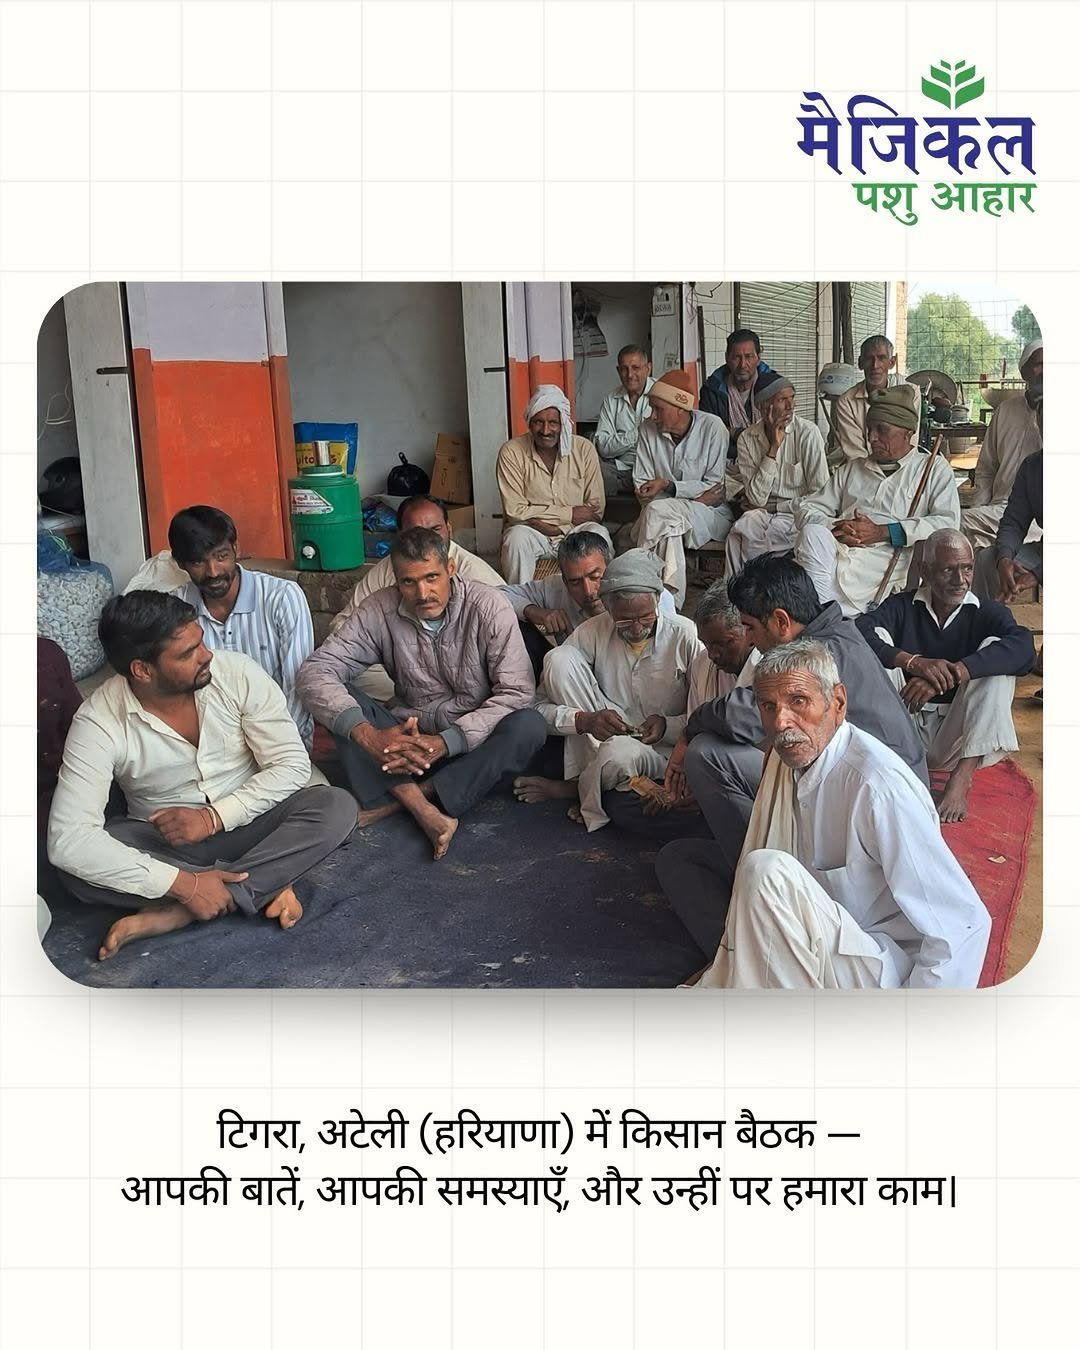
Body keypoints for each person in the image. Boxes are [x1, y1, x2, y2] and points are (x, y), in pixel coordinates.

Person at [47, 591, 357, 961]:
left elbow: (291, 765)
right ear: (142, 670)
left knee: (335, 805)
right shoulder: (98, 722)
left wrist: (213, 818)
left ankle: (180, 913)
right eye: (187, 653)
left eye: (201, 642)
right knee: (77, 869)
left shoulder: (236, 673)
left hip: (256, 821)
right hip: (167, 847)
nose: (206, 654)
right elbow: (69, 839)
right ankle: (264, 882)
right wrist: (183, 883)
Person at [655, 554, 926, 959]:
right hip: (852, 800)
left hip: (869, 811)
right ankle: (747, 922)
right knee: (677, 858)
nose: (749, 641)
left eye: (749, 627)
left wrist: (691, 726)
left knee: (707, 755)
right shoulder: (835, 634)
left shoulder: (818, 657)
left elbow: (743, 716)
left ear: (780, 621)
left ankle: (745, 941)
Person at [689, 639, 991, 989]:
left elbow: (963, 924)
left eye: (798, 702)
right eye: (768, 706)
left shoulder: (877, 786)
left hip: (877, 965)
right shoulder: (790, 765)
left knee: (765, 873)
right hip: (824, 937)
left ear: (838, 703)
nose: (782, 721)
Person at [295, 527, 546, 859]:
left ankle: (403, 802)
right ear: (395, 580)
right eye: (409, 582)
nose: (423, 592)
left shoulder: (487, 605)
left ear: (451, 570)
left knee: (528, 725)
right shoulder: (379, 610)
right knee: (342, 702)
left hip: (471, 743)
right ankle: (427, 809)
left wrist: (446, 742)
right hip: (408, 741)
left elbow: (516, 692)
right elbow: (315, 672)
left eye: (432, 577)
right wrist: (370, 736)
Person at [514, 550, 702, 832]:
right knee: (559, 660)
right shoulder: (592, 632)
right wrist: (586, 721)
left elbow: (706, 712)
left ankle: (583, 788)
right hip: (611, 747)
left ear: (657, 602)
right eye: (625, 621)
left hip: (670, 754)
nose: (637, 628)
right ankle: (600, 785)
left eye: (646, 617)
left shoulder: (684, 634)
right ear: (609, 608)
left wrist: (667, 726)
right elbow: (537, 709)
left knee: (621, 764)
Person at [856, 529, 1034, 822]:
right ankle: (897, 769)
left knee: (996, 659)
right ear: (924, 570)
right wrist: (913, 662)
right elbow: (858, 633)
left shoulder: (986, 612)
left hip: (958, 740)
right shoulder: (901, 606)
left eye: (967, 568)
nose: (960, 580)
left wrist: (957, 672)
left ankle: (961, 779)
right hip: (901, 730)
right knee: (873, 653)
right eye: (948, 569)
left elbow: (1024, 649)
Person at [794, 386, 960, 616]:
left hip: (883, 564)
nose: (872, 437)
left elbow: (948, 524)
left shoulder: (932, 469)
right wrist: (840, 528)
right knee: (812, 533)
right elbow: (807, 508)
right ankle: (823, 612)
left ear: (907, 432)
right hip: (837, 553)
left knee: (804, 596)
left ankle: (819, 613)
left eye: (882, 430)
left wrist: (883, 532)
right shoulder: (852, 469)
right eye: (870, 429)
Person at [165, 506, 315, 748]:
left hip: (282, 743)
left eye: (221, 556)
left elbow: (298, 688)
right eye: (198, 562)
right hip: (210, 750)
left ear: (237, 549)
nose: (213, 571)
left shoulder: (282, 597)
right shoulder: (174, 610)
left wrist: (277, 747)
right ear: (180, 564)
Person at [500, 530, 675, 677]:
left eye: (595, 577)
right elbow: (495, 596)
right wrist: (534, 612)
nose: (589, 591)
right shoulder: (553, 588)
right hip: (576, 677)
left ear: (611, 567)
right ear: (565, 581)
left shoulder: (649, 597)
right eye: (575, 582)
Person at [331, 495, 504, 636]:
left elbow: (502, 634)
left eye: (435, 529)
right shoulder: (385, 569)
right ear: (400, 534)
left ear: (449, 528)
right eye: (416, 531)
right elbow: (344, 624)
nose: (426, 538)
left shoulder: (475, 575)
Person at [633, 369, 733, 609]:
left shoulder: (713, 428)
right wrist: (694, 496)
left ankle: (638, 578)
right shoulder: (647, 429)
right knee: (670, 531)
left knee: (659, 512)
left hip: (708, 517)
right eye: (651, 408)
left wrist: (668, 485)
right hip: (670, 516)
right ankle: (670, 606)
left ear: (680, 408)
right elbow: (641, 484)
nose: (653, 416)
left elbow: (715, 489)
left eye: (659, 409)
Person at [495, 384, 611, 583]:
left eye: (553, 423)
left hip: (573, 531)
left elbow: (596, 509)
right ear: (530, 423)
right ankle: (521, 603)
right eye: (538, 422)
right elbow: (515, 511)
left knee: (599, 534)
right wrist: (570, 514)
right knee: (515, 539)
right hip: (532, 532)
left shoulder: (583, 449)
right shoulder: (511, 452)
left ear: (563, 423)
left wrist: (558, 528)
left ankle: (597, 602)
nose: (546, 430)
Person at [724, 372, 829, 574]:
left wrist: (777, 506)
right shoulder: (747, 438)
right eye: (782, 400)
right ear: (763, 407)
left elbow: (820, 497)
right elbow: (756, 498)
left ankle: (751, 594)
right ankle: (733, 598)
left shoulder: (808, 433)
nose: (791, 406)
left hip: (798, 515)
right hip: (761, 514)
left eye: (792, 398)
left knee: (751, 541)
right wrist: (772, 448)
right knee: (739, 533)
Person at [962, 340, 1043, 550]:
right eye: (1039, 364)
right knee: (964, 540)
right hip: (996, 510)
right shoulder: (1005, 411)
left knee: (958, 523)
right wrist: (980, 506)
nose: (1045, 371)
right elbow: (986, 469)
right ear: (1024, 371)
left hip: (1035, 517)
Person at [828, 335, 916, 465]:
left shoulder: (910, 393)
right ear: (860, 363)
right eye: (869, 359)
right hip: (864, 472)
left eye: (881, 358)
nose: (875, 365)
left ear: (891, 363)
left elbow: (910, 443)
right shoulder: (847, 401)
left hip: (904, 469)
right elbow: (856, 455)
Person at [593, 344, 655, 496]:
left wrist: (619, 441)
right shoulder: (611, 399)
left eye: (635, 368)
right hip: (620, 467)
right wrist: (637, 434)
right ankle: (631, 484)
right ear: (618, 371)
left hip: (654, 467)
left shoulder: (661, 394)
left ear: (648, 368)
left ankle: (625, 485)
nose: (629, 374)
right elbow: (603, 447)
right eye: (624, 368)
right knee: (589, 471)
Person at [687, 582, 757, 713]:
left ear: (749, 630)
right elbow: (691, 724)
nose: (712, 655)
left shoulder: (772, 673)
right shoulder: (702, 665)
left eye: (722, 644)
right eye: (706, 644)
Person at [698, 328, 771, 448]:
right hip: (727, 459)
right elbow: (707, 429)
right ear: (727, 358)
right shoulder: (712, 390)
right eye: (736, 357)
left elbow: (781, 426)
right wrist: (736, 433)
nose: (742, 365)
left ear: (758, 358)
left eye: (748, 357)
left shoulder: (772, 388)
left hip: (767, 455)